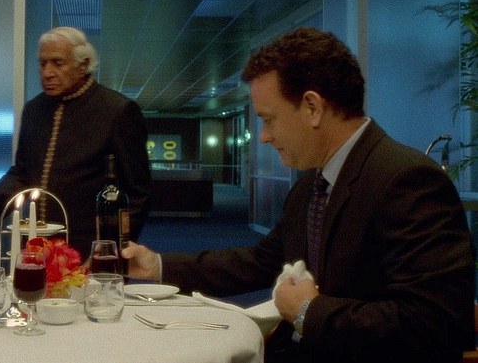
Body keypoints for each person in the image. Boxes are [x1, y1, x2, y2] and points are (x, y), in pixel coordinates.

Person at [122, 27, 475, 363]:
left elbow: (436, 322)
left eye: (269, 119)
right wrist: (158, 265)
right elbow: (262, 262)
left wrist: (309, 311)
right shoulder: (313, 184)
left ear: (312, 108)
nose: (263, 136)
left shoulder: (407, 180)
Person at [0, 26, 152, 256]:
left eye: (57, 63)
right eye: (43, 64)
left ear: (83, 65)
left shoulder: (118, 111)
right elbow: (23, 172)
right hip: (36, 247)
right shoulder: (34, 110)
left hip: (92, 250)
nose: (47, 72)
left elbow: (138, 194)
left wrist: (113, 251)